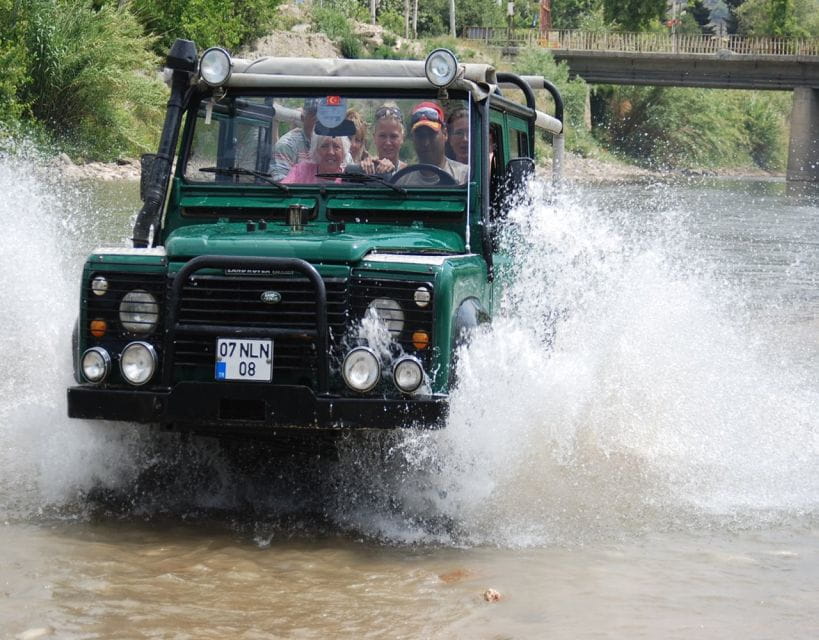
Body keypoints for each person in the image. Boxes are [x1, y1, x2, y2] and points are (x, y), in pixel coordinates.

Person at [395, 101, 468, 186]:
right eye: (420, 136)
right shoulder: (402, 181)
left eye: (431, 135)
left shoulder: (464, 176)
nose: (426, 143)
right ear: (413, 138)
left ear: (445, 134)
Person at [270, 98, 319, 180]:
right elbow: (280, 182)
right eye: (314, 115)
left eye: (325, 116)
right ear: (303, 117)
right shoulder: (286, 145)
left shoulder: (337, 145)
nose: (319, 120)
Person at [281, 133, 350, 184]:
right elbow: (283, 191)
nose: (330, 152)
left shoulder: (349, 177)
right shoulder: (301, 170)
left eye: (336, 146)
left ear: (344, 152)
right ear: (316, 150)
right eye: (324, 146)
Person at [360, 103, 407, 175]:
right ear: (374, 137)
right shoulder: (367, 168)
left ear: (402, 138)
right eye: (382, 136)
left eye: (393, 136)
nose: (388, 142)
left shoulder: (409, 174)